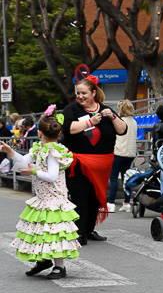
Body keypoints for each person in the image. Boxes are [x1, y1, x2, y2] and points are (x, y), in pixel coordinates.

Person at [4, 111, 80, 279]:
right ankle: (43, 260)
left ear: (39, 132)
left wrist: (34, 171)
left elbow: (52, 176)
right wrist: (10, 152)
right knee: (41, 230)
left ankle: (59, 267)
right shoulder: (39, 148)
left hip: (54, 199)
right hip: (43, 198)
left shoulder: (52, 151)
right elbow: (24, 160)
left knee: (55, 233)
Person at [62, 76, 129, 245]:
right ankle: (80, 232)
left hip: (102, 165)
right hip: (78, 163)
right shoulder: (72, 110)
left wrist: (113, 117)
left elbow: (123, 130)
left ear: (93, 93)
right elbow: (68, 129)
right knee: (79, 197)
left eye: (84, 93)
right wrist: (90, 122)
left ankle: (89, 229)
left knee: (95, 198)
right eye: (78, 93)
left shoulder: (106, 110)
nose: (80, 96)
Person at [106, 100, 138, 213]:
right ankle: (127, 203)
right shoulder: (134, 122)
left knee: (113, 177)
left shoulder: (119, 121)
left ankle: (110, 203)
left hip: (118, 152)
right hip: (130, 153)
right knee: (126, 178)